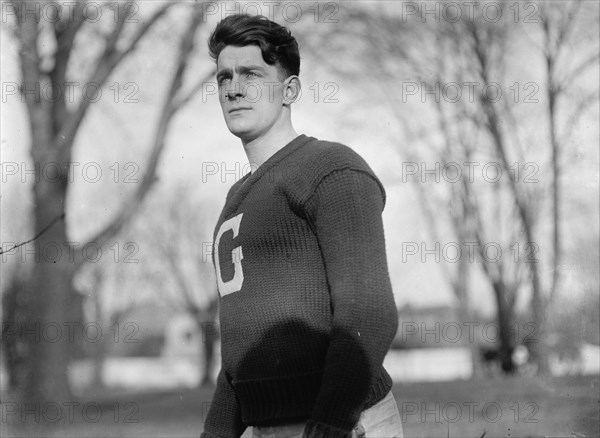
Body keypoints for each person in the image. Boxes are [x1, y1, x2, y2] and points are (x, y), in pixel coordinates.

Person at [201, 14, 403, 438]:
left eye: (252, 74)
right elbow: (239, 355)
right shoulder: (237, 198)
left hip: (345, 423)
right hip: (267, 428)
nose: (234, 88)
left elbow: (369, 311)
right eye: (223, 78)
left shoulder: (329, 169)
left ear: (289, 89)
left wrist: (331, 420)